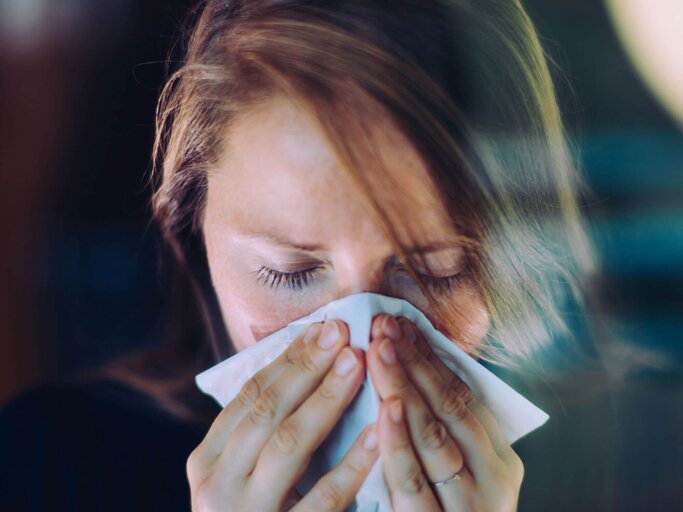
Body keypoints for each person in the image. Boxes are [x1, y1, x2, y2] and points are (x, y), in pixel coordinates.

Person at [0, 0, 638, 511]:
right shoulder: (40, 470)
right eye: (290, 271)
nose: (360, 348)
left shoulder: (624, 475)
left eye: (435, 273)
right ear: (191, 246)